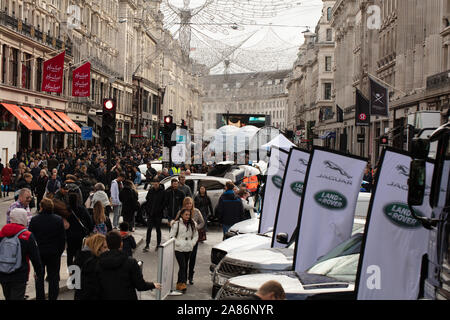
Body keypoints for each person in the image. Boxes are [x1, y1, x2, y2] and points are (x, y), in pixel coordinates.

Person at [96, 231, 161, 300]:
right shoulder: (130, 262)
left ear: (107, 244)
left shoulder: (98, 262)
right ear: (121, 244)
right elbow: (140, 285)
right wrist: (152, 285)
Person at [0, 208, 44, 300]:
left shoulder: (2, 233)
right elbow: (35, 257)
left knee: (8, 296)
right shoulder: (27, 235)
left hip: (3, 273)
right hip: (19, 274)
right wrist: (39, 272)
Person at [29, 198, 66, 300]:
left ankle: (40, 297)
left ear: (41, 207)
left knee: (39, 277)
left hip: (39, 252)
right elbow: (62, 238)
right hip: (54, 252)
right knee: (54, 277)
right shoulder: (58, 219)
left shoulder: (34, 220)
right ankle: (53, 297)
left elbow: (31, 238)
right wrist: (59, 251)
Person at [171, 197, 204, 285]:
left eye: (190, 203)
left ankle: (190, 277)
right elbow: (176, 223)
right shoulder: (180, 212)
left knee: (192, 259)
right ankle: (183, 280)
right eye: (187, 204)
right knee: (184, 264)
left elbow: (202, 222)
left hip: (192, 240)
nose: (189, 205)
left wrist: (195, 228)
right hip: (182, 243)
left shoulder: (196, 211)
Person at [169, 208, 198, 293]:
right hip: (179, 249)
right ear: (181, 215)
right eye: (186, 214)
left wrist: (192, 243)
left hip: (188, 248)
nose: (187, 216)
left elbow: (196, 235)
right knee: (183, 266)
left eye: (189, 215)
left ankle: (179, 284)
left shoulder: (193, 224)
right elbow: (171, 236)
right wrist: (178, 243)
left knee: (184, 266)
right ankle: (183, 284)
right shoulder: (176, 224)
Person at [73, 234, 108, 300]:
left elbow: (73, 281)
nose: (107, 250)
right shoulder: (98, 261)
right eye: (105, 247)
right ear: (98, 247)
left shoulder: (79, 256)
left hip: (81, 294)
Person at [66, 192, 93, 266]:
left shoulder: (66, 210)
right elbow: (89, 220)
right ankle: (77, 268)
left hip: (69, 235)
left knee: (70, 253)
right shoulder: (82, 209)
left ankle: (71, 270)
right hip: (80, 234)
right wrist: (89, 230)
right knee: (79, 252)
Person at [143, 178, 165, 252]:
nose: (155, 184)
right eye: (154, 183)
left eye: (157, 183)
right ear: (152, 183)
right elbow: (147, 200)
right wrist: (147, 210)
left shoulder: (162, 191)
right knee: (149, 229)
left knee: (158, 230)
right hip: (150, 214)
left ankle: (158, 244)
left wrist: (159, 210)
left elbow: (163, 203)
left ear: (159, 183)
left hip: (158, 214)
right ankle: (147, 245)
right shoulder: (151, 190)